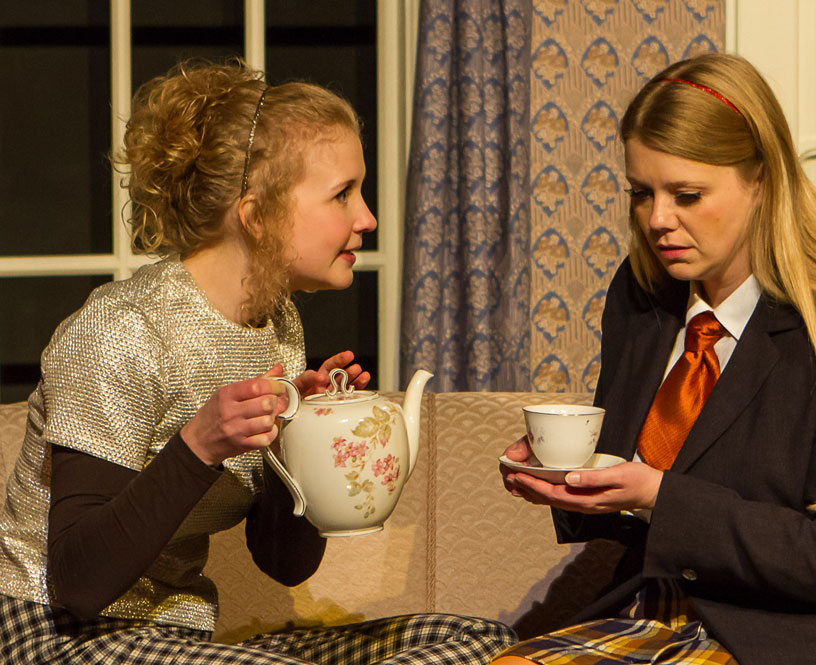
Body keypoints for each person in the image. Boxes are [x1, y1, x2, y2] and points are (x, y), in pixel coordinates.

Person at [0, 59, 515, 664]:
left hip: (177, 640)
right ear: (256, 215)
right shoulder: (123, 331)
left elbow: (284, 564)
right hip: (53, 633)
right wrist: (198, 445)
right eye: (342, 194)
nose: (367, 219)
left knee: (480, 643)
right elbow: (77, 582)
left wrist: (295, 445)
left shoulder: (279, 328)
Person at [496, 53, 816, 665]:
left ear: (761, 181)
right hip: (656, 616)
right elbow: (638, 496)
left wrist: (659, 496)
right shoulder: (643, 299)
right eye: (641, 193)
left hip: (800, 638)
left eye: (687, 195)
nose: (658, 220)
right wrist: (570, 476)